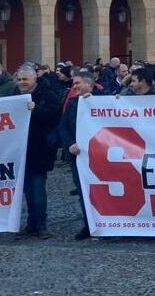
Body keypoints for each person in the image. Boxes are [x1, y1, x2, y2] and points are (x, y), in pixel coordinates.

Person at [15, 65, 61, 239]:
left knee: (37, 188)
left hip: (40, 149)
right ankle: (31, 223)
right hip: (20, 149)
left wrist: (36, 110)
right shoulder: (14, 94)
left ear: (34, 79)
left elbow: (54, 116)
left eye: (25, 79)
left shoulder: (48, 94)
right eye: (19, 79)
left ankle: (41, 224)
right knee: (27, 189)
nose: (21, 83)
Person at [60, 70, 95, 241]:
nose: (74, 87)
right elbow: (63, 127)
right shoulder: (73, 103)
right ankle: (88, 224)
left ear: (89, 84)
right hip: (78, 155)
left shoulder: (104, 101)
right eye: (73, 84)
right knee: (82, 191)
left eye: (77, 83)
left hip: (99, 156)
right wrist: (69, 144)